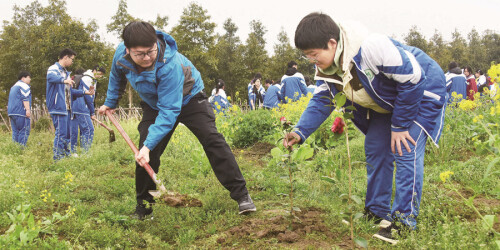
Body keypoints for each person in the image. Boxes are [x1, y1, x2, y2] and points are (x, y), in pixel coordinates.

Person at [283, 13, 447, 244]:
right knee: (376, 146)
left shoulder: (372, 48)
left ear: (332, 44)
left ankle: (403, 221)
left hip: (422, 91)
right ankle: (377, 209)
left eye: (313, 54)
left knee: (405, 148)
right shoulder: (328, 69)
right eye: (306, 55)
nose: (311, 60)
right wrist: (299, 132)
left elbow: (413, 80)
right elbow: (322, 100)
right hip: (391, 103)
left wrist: (400, 126)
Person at [98, 21, 256, 220]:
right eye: (140, 54)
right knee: (146, 150)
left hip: (190, 99)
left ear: (156, 42)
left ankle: (241, 194)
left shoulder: (169, 64)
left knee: (212, 139)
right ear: (128, 50)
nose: (147, 57)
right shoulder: (121, 55)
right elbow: (116, 76)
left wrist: (147, 146)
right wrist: (110, 102)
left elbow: (170, 111)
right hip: (154, 104)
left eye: (150, 51)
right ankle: (144, 208)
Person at [46, 49, 94, 160]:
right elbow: (50, 77)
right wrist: (64, 80)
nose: (72, 62)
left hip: (67, 108)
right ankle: (58, 157)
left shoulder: (65, 73)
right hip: (57, 107)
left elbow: (70, 92)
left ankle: (66, 155)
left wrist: (84, 92)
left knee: (67, 134)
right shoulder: (54, 68)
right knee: (61, 133)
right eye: (72, 59)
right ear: (65, 57)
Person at [70, 65, 106, 152]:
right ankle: (85, 153)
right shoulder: (88, 78)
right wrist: (92, 112)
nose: (100, 76)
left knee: (76, 131)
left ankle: (74, 152)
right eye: (99, 74)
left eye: (101, 75)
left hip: (75, 106)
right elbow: (89, 97)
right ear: (94, 70)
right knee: (89, 130)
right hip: (81, 107)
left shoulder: (88, 78)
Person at [7, 71, 32, 147]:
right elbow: (25, 98)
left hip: (12, 112)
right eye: (29, 77)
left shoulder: (13, 86)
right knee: (24, 130)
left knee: (15, 131)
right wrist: (27, 110)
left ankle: (15, 148)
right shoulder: (24, 85)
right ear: (23, 78)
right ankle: (22, 148)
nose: (30, 79)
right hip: (20, 112)